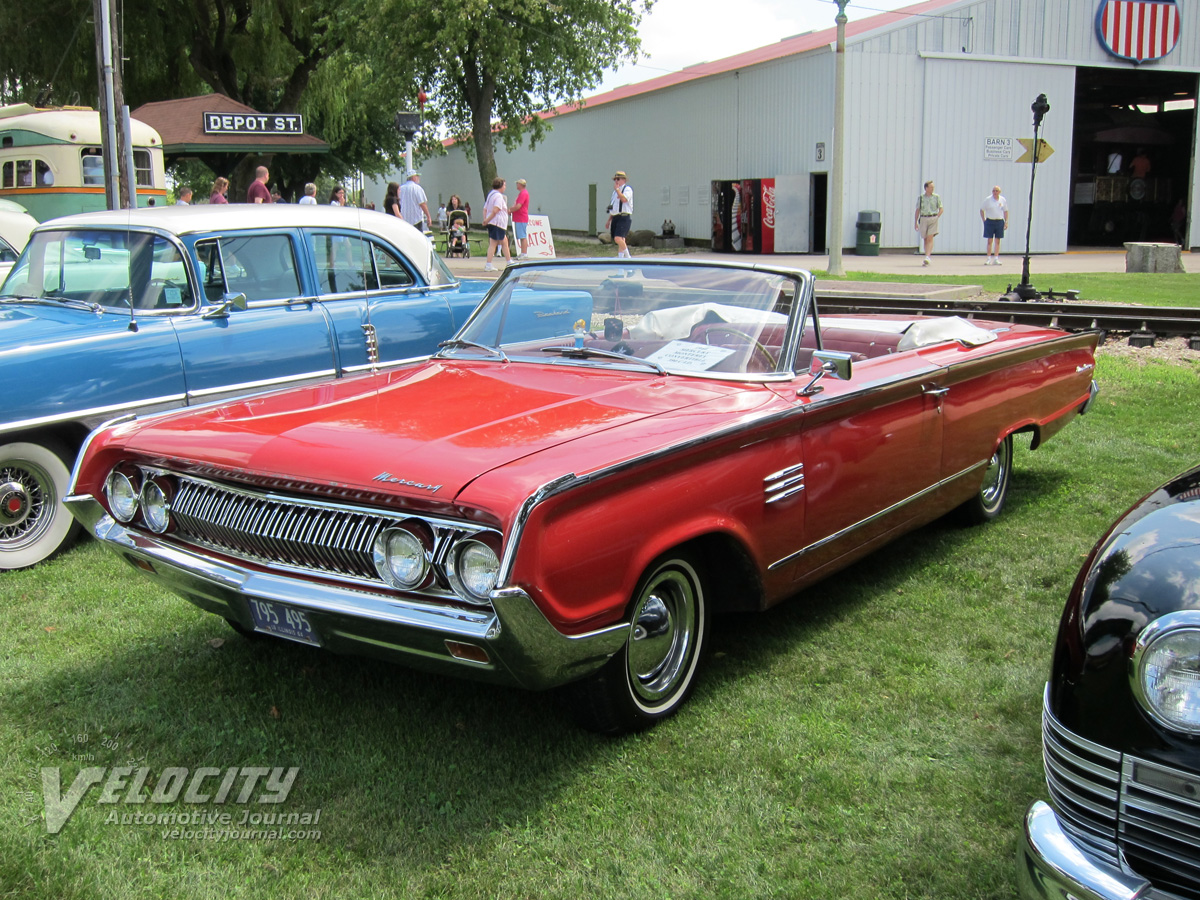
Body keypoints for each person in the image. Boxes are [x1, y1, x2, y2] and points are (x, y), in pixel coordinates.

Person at [483, 177, 511, 271]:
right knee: (493, 243)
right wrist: (487, 220)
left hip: (494, 223)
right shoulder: (498, 196)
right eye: (504, 185)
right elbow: (496, 210)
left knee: (504, 241)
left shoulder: (491, 194)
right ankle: (488, 264)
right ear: (500, 186)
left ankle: (509, 261)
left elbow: (485, 208)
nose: (505, 187)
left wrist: (486, 219)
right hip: (497, 223)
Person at [606, 170, 634, 259]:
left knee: (618, 238)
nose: (616, 181)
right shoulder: (614, 192)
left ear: (624, 180)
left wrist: (618, 190)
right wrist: (609, 220)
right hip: (616, 217)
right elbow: (614, 207)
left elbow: (624, 199)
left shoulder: (627, 189)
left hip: (624, 216)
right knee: (621, 240)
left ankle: (629, 257)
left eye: (618, 179)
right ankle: (621, 265)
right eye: (615, 179)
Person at [914, 180, 942, 266]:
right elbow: (918, 210)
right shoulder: (921, 198)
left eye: (933, 187)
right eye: (931, 187)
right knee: (925, 238)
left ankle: (928, 256)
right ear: (926, 188)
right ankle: (926, 254)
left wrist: (937, 216)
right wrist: (915, 222)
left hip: (933, 217)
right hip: (923, 218)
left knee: (930, 237)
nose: (932, 189)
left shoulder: (936, 197)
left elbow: (941, 208)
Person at [979, 185, 1008, 265]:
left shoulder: (1002, 200)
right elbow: (982, 210)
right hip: (990, 221)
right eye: (994, 191)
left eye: (996, 191)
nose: (995, 192)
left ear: (999, 192)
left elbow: (1005, 211)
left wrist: (1006, 221)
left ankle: (996, 258)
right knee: (990, 240)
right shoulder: (988, 200)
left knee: (998, 240)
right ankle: (988, 258)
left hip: (999, 221)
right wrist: (984, 220)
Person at [511, 178, 530, 259]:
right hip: (519, 217)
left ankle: (524, 253)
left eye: (518, 183)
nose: (516, 185)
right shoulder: (522, 193)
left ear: (521, 185)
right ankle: (523, 253)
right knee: (521, 235)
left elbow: (518, 206)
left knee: (522, 236)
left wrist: (510, 210)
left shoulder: (523, 194)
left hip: (521, 217)